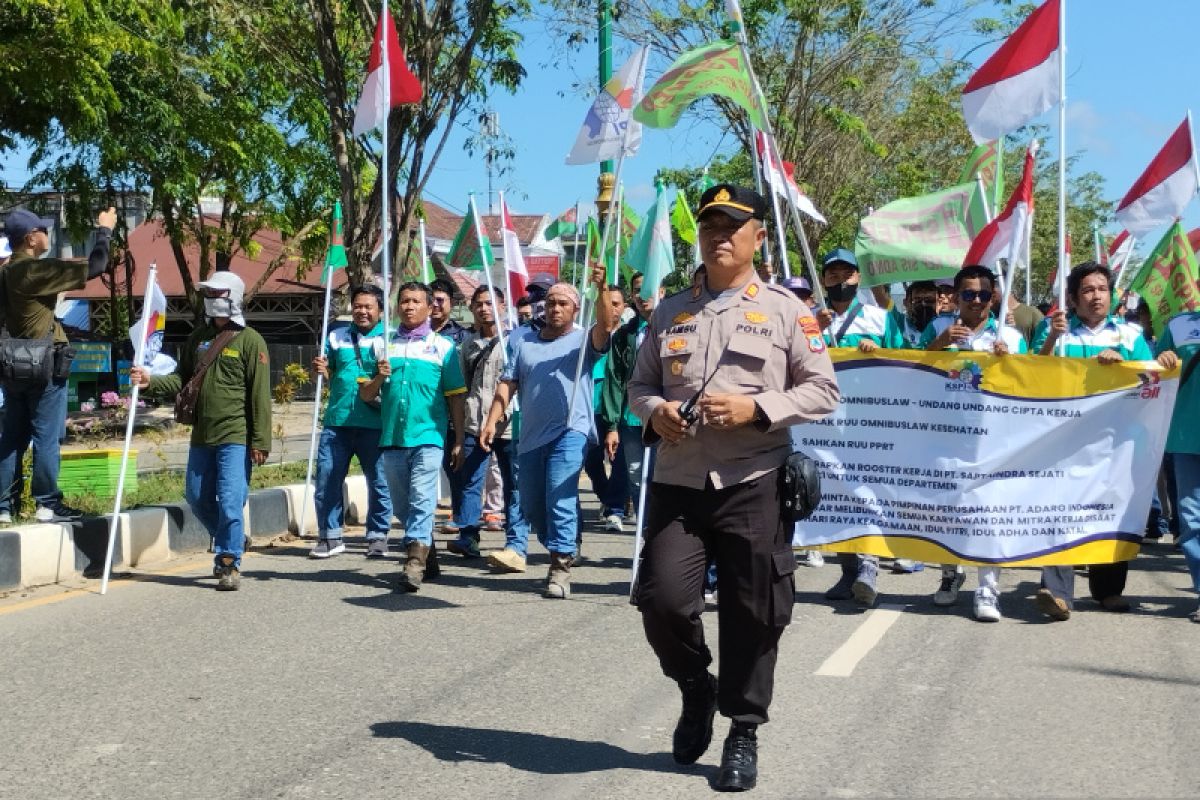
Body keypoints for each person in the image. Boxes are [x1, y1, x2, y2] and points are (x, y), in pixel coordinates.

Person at [628, 184, 839, 790]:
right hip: (679, 481)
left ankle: (742, 729)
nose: (720, 236)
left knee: (754, 613)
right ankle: (697, 687)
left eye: (733, 226)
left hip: (755, 481)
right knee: (663, 602)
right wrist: (655, 411)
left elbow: (823, 390)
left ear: (758, 237)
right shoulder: (671, 311)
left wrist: (758, 411)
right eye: (711, 226)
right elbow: (639, 385)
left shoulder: (785, 310)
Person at [1027, 262, 1157, 619]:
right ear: (1072, 297)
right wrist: (1052, 337)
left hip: (1116, 440)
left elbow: (1150, 380)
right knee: (1059, 510)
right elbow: (1031, 374)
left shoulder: (1130, 335)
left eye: (1102, 289)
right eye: (1088, 290)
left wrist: (1123, 366)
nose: (1096, 296)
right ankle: (1057, 591)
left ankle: (1108, 589)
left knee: (1110, 511)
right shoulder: (1057, 331)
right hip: (1064, 439)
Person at [480, 265, 617, 599]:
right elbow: (507, 384)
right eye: (551, 302)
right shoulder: (523, 341)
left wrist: (600, 290)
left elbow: (607, 325)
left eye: (563, 304)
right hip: (530, 436)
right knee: (532, 506)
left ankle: (560, 566)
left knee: (560, 496)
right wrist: (491, 420)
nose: (555, 308)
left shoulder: (583, 340)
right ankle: (560, 543)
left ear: (574, 310)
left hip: (572, 431)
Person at [132, 271, 271, 591]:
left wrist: (261, 440)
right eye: (207, 294)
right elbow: (183, 380)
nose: (211, 300)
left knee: (232, 501)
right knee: (195, 497)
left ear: (234, 297)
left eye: (217, 294)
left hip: (235, 436)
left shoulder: (251, 341)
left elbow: (259, 395)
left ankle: (228, 562)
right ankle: (233, 539)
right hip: (201, 435)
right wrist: (149, 380)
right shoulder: (198, 337)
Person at [919, 264, 1027, 621]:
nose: (976, 301)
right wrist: (940, 344)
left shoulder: (1009, 337)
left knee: (988, 512)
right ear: (955, 296)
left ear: (994, 296)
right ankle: (950, 575)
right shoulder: (938, 327)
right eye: (968, 293)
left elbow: (1031, 383)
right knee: (947, 508)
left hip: (994, 438)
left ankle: (988, 588)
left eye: (983, 294)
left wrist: (1008, 362)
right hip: (945, 434)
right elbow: (910, 370)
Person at [0, 206, 116, 524]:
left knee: (12, 438)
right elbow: (97, 265)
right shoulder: (35, 270)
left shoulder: (6, 272)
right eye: (43, 230)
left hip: (12, 365)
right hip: (44, 366)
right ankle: (47, 504)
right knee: (46, 436)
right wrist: (105, 229)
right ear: (30, 238)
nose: (47, 234)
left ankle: (4, 508)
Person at [360, 282, 466, 593]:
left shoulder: (443, 348)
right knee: (402, 507)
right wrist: (380, 374)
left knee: (421, 499)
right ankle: (428, 555)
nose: (409, 306)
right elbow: (366, 394)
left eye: (416, 301)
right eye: (404, 301)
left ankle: (414, 562)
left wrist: (458, 438)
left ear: (429, 306)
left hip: (428, 436)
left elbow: (456, 396)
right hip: (393, 437)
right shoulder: (383, 345)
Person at [815, 248, 902, 605]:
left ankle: (869, 566)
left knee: (868, 493)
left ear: (858, 279)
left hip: (869, 424)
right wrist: (814, 334)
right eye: (832, 276)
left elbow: (905, 363)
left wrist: (878, 353)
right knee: (835, 494)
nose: (840, 282)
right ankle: (847, 569)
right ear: (824, 281)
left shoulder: (880, 319)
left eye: (847, 275)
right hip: (826, 424)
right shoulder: (809, 319)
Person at [446, 287, 530, 570]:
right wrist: (459, 432)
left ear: (503, 305)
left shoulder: (516, 341)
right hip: (474, 422)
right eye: (478, 304)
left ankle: (515, 543)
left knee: (514, 484)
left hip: (509, 424)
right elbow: (462, 387)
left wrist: (499, 416)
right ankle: (467, 535)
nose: (484, 309)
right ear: (471, 308)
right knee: (469, 480)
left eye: (490, 303)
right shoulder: (467, 346)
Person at [307, 285, 393, 559]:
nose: (362, 311)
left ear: (380, 310)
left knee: (379, 482)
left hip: (377, 424)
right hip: (338, 421)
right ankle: (330, 536)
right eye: (358, 306)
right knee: (327, 479)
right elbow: (326, 377)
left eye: (368, 306)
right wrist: (320, 371)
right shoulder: (335, 336)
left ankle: (378, 536)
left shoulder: (391, 339)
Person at [600, 272, 661, 521]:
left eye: (647, 288)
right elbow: (614, 379)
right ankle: (646, 537)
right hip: (632, 420)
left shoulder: (676, 326)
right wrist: (612, 425)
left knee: (665, 480)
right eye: (637, 290)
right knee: (637, 479)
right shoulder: (626, 334)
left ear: (663, 291)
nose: (642, 295)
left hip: (664, 418)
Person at [1154, 310, 1200, 622]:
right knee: (1192, 519)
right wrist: (1165, 358)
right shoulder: (1179, 325)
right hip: (1187, 436)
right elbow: (1153, 371)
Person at [583, 283, 630, 532]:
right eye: (605, 303)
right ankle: (608, 497)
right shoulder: (589, 336)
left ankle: (615, 507)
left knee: (619, 460)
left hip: (619, 410)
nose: (611, 309)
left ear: (624, 307)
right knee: (591, 462)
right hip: (591, 409)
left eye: (616, 304)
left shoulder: (629, 336)